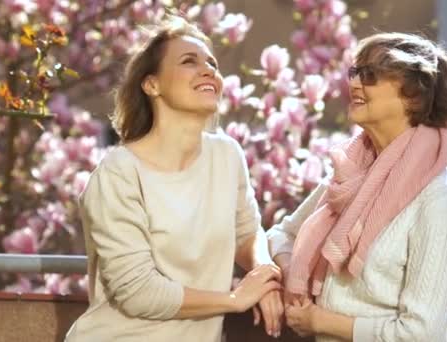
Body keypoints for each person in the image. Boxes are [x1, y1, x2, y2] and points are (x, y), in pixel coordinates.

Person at [65, 16, 283, 342]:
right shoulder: (120, 172)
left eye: (212, 63)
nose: (208, 70)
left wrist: (264, 275)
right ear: (152, 84)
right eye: (188, 61)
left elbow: (248, 234)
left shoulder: (227, 156)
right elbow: (138, 291)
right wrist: (235, 299)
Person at [267, 32, 447, 342]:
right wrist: (295, 274)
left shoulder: (437, 194)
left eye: (370, 75)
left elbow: (422, 332)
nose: (355, 84)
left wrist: (321, 321)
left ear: (414, 95)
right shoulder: (350, 173)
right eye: (355, 72)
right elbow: (281, 234)